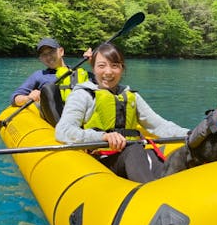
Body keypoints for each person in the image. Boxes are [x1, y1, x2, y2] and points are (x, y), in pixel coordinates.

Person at [55, 43, 189, 183]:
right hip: (101, 161)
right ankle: (150, 195)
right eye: (101, 66)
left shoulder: (130, 95)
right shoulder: (83, 95)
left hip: (132, 157)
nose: (108, 72)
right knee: (134, 149)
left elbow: (159, 126)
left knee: (170, 155)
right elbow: (63, 130)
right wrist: (103, 137)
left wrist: (191, 134)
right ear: (93, 68)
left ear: (122, 69)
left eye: (114, 66)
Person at [10, 37, 90, 107]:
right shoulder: (39, 75)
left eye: (51, 52)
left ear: (61, 51)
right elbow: (15, 98)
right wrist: (28, 98)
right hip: (53, 119)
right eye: (44, 55)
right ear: (40, 58)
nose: (48, 57)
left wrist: (94, 63)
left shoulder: (78, 72)